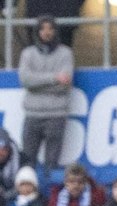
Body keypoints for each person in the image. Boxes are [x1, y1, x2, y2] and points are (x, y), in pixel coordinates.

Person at [17, 19, 73, 172]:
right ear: (37, 32)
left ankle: (51, 195)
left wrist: (36, 85)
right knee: (27, 162)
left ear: (56, 31)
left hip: (56, 115)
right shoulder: (28, 54)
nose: (46, 32)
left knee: (52, 164)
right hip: (32, 115)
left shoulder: (65, 53)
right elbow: (26, 80)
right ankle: (28, 194)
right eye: (42, 29)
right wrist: (54, 78)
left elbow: (64, 85)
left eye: (50, 29)